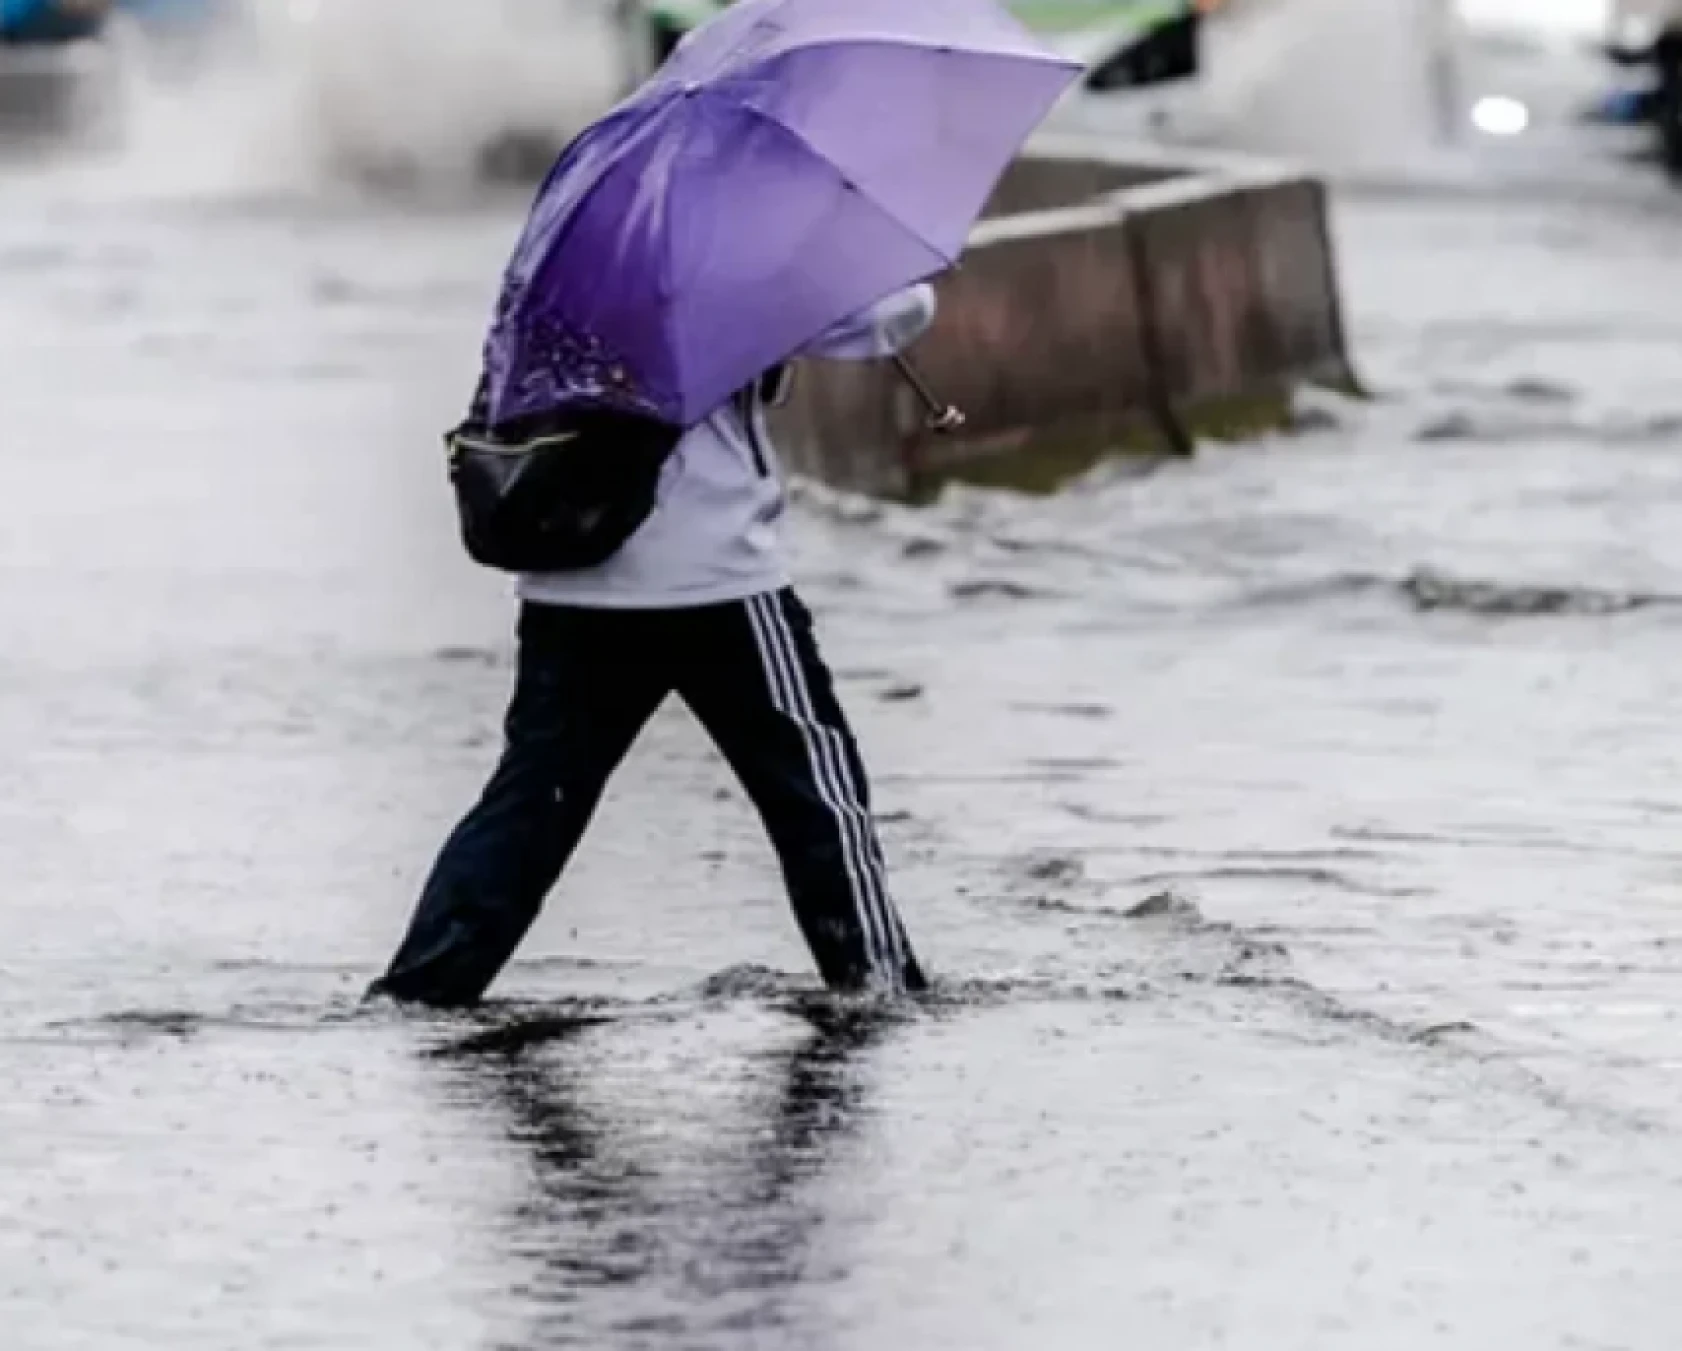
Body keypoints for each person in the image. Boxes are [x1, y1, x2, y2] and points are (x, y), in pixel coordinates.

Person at [369, 285, 938, 1008]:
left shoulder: (565, 260)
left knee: (528, 808)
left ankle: (420, 991)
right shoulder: (729, 260)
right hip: (715, 580)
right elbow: (887, 317)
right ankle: (879, 988)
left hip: (570, 580)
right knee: (819, 798)